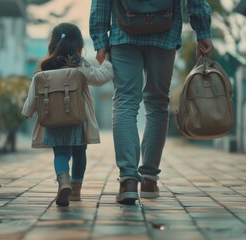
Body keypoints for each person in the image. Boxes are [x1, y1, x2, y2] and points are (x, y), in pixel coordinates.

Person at [89, 0, 214, 204]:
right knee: (157, 104)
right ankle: (149, 180)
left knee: (125, 101)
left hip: (124, 32)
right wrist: (203, 31)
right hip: (164, 33)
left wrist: (100, 40)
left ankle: (128, 180)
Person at [22, 22, 114, 207]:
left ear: (52, 44)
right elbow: (101, 77)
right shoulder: (80, 65)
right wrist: (107, 61)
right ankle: (76, 189)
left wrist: (28, 111)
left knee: (61, 154)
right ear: (79, 46)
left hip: (53, 120)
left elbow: (34, 93)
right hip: (77, 119)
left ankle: (63, 180)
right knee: (80, 153)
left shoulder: (45, 67)